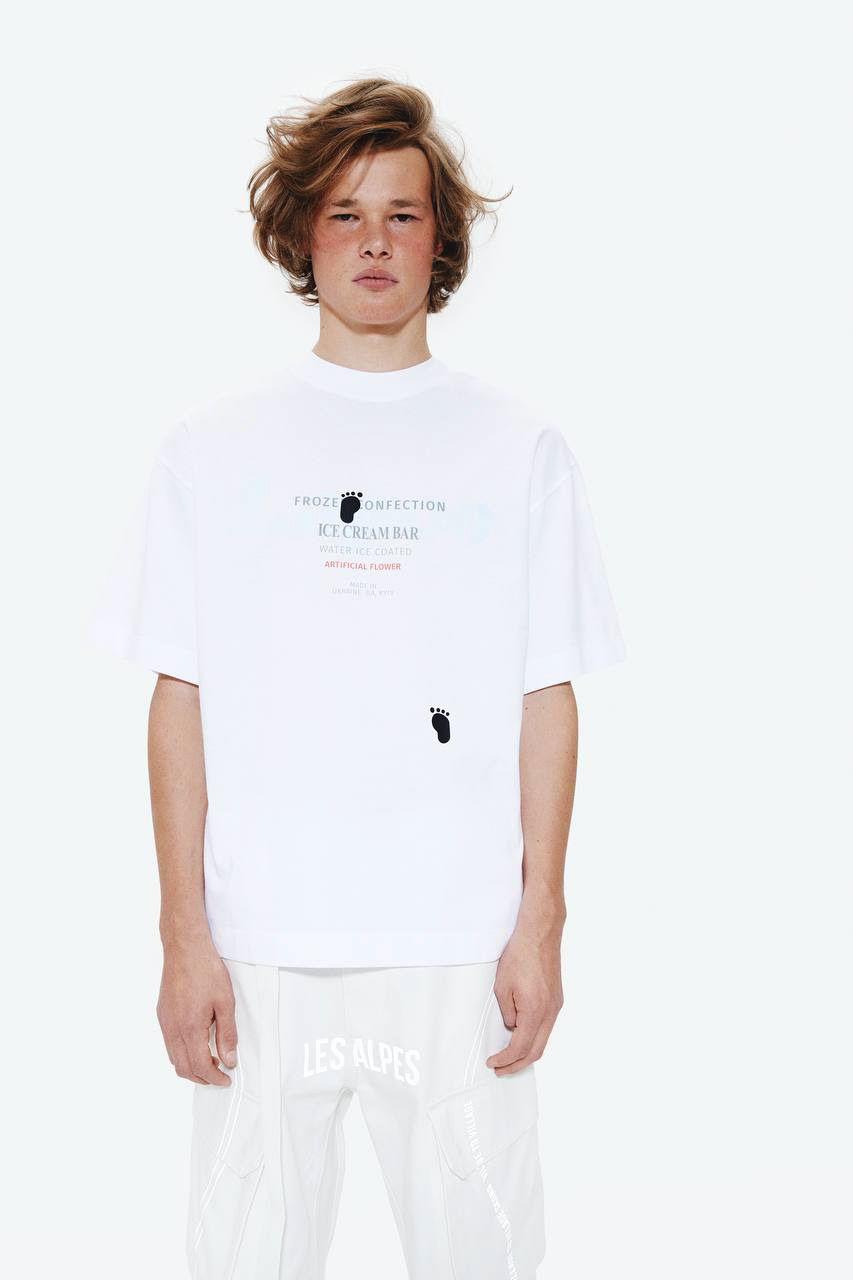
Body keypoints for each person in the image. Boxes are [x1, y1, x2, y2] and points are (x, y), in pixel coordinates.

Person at [88, 76, 627, 1280]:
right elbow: (179, 697)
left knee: (481, 1259)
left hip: (458, 938)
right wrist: (183, 933)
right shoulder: (212, 446)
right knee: (245, 1257)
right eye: (344, 213)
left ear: (440, 240)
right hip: (262, 940)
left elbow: (546, 695)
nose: (373, 241)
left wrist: (540, 920)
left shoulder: (518, 446)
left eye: (401, 214)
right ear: (300, 234)